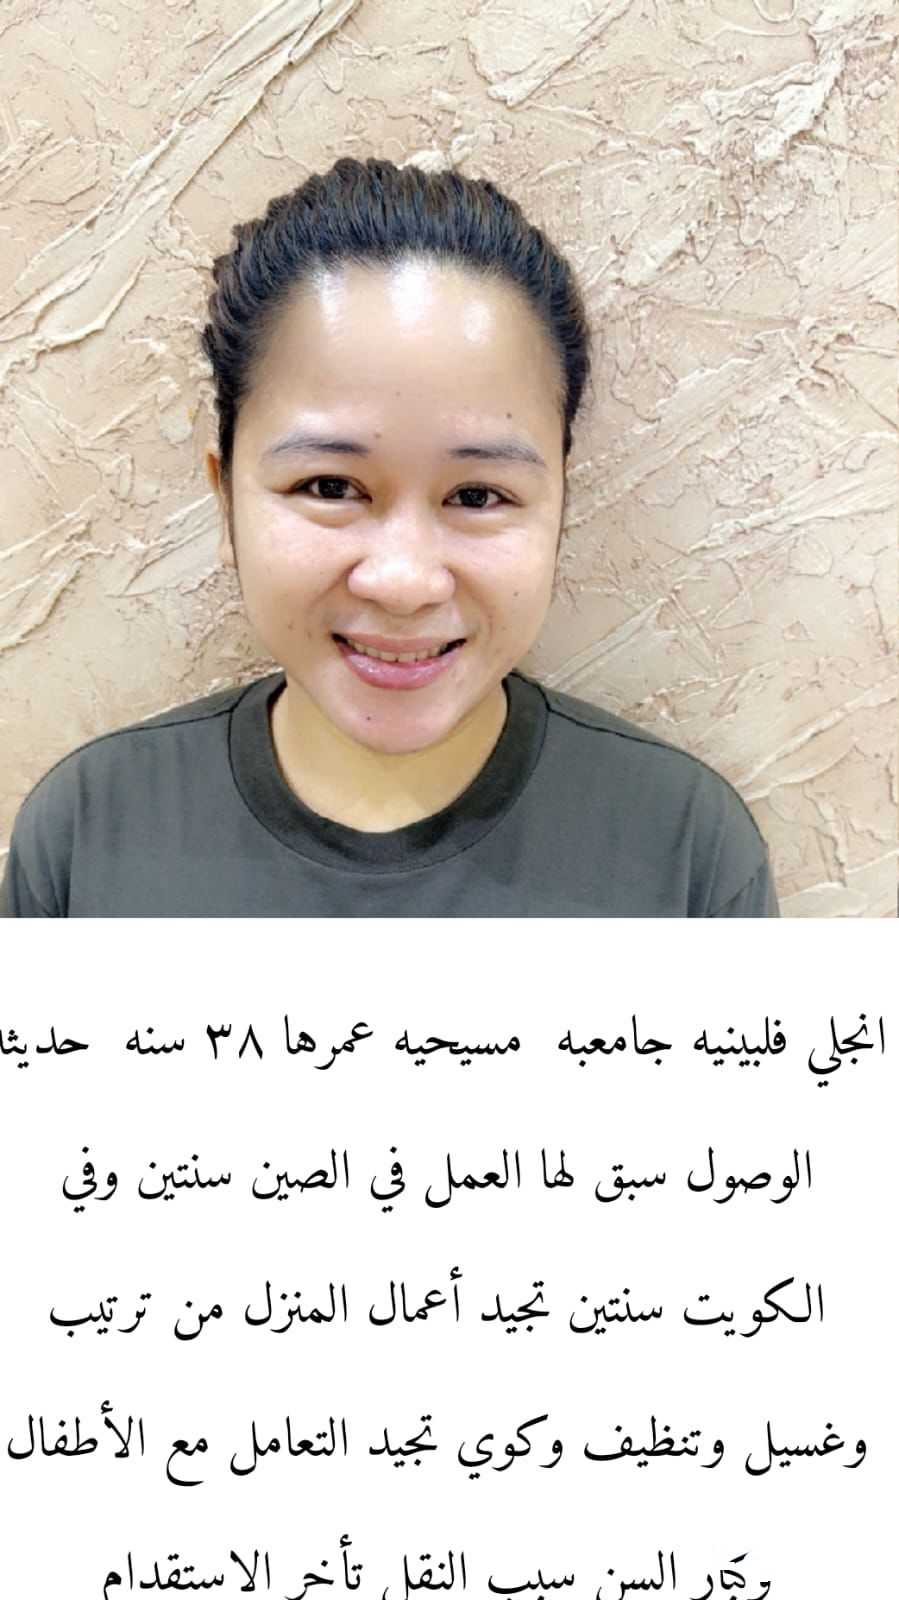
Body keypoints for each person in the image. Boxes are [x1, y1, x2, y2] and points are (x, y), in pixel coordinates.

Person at [1, 157, 777, 917]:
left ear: (559, 508)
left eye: (477, 495)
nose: (403, 583)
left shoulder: (684, 853)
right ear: (224, 499)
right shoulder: (87, 836)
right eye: (329, 487)